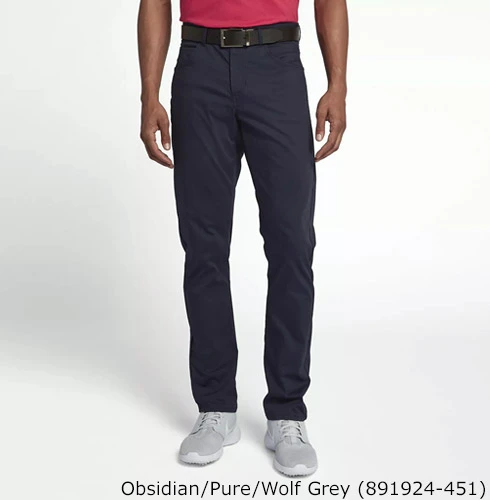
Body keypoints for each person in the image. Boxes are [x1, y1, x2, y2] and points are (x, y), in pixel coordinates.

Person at [138, 0, 348, 476]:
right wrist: (149, 94)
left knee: (292, 245)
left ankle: (287, 413)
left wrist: (337, 84)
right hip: (199, 67)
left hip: (277, 66)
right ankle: (216, 407)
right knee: (204, 247)